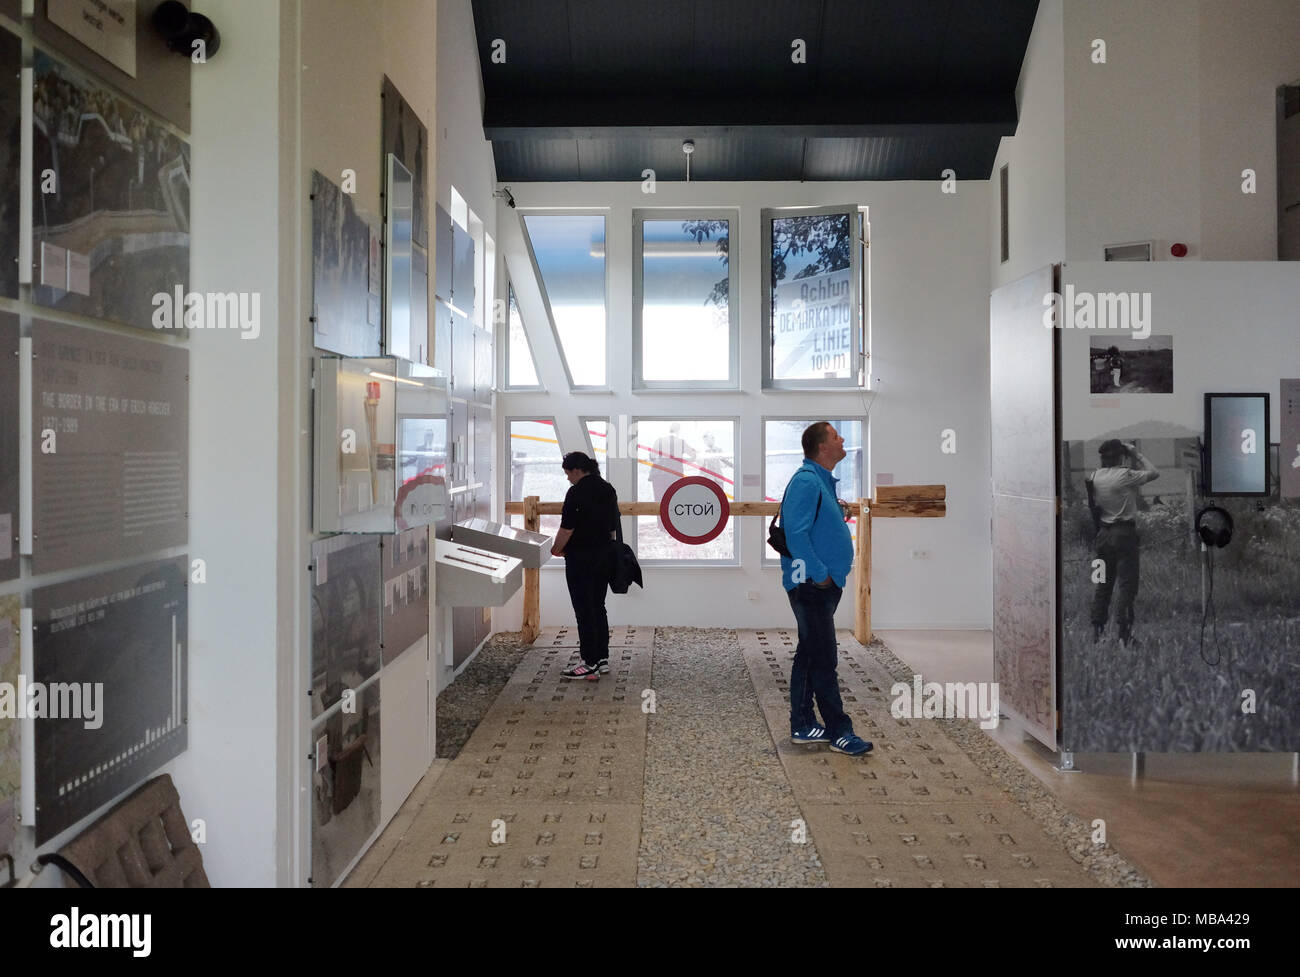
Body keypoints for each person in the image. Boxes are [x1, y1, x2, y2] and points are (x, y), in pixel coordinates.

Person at [779, 422, 871, 756]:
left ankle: (803, 724)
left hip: (821, 585)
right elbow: (797, 535)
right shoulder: (806, 481)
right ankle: (839, 730)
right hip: (810, 585)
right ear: (821, 447)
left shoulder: (820, 482)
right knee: (824, 658)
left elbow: (815, 526)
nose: (842, 439)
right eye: (835, 436)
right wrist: (820, 575)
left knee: (809, 653)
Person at [551, 451, 620, 680]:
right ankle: (602, 659)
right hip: (603, 556)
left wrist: (556, 549)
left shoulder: (576, 492)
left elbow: (567, 528)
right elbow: (612, 528)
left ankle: (588, 662)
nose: (568, 478)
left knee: (584, 610)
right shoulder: (607, 488)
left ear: (577, 470)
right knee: (598, 606)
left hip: (580, 559)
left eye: (568, 473)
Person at [1085, 439, 1159, 645]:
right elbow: (1154, 472)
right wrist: (1136, 454)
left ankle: (1097, 632)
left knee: (1101, 584)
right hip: (1124, 535)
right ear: (1121, 456)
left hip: (1102, 536)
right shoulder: (1125, 475)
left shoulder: (1094, 476)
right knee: (1127, 586)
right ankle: (1124, 634)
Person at [649, 422, 696, 501]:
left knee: (658, 502)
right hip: (674, 474)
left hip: (658, 474)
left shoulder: (659, 441)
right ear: (679, 431)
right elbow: (693, 456)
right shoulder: (681, 442)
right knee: (674, 500)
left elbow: (652, 456)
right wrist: (683, 460)